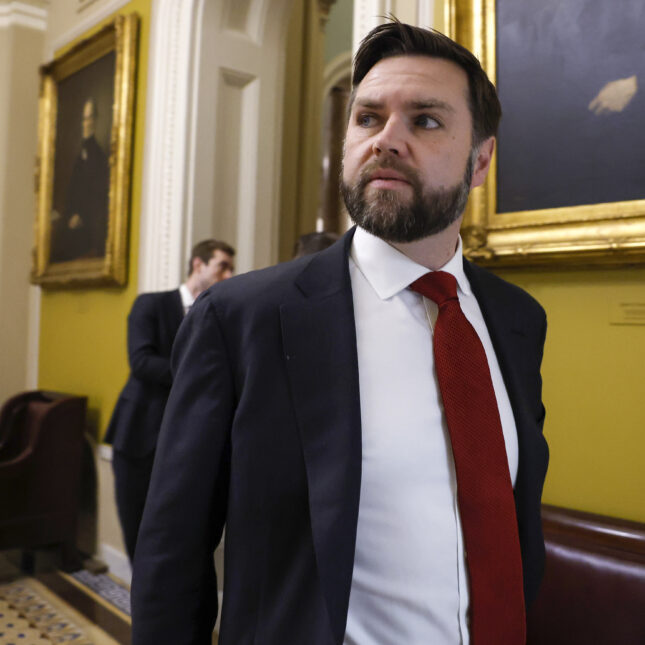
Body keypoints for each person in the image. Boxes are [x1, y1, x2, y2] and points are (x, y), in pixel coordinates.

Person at [132, 21, 548, 645]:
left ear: (480, 159)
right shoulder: (241, 319)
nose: (386, 141)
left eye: (426, 121)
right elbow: (173, 554)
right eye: (368, 118)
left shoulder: (516, 320)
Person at [105, 239, 235, 563]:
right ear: (198, 265)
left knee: (181, 539)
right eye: (222, 267)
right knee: (138, 534)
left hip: (190, 442)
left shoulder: (224, 312)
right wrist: (204, 374)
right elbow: (141, 362)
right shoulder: (150, 305)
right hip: (139, 438)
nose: (230, 275)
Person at [50, 98, 110, 263]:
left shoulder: (98, 155)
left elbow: (98, 195)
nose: (86, 123)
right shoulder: (79, 153)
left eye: (90, 118)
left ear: (95, 120)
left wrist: (81, 216)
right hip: (70, 218)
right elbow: (73, 191)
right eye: (84, 118)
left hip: (85, 226)